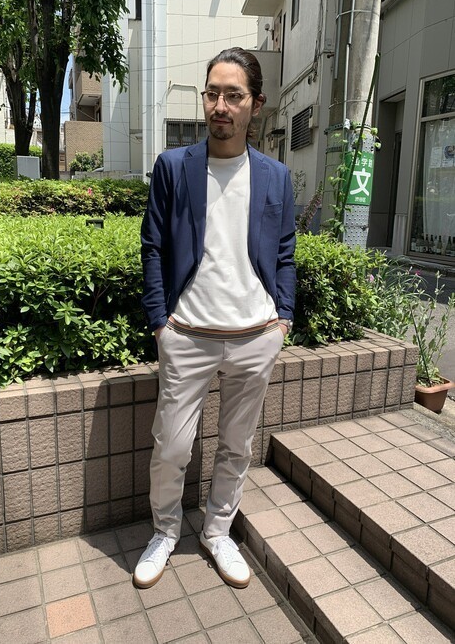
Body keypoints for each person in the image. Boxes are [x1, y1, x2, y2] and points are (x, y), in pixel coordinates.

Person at [135, 47, 296, 589]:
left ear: (256, 105)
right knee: (172, 447)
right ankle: (165, 531)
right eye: (212, 93)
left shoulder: (275, 176)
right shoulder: (174, 167)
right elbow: (153, 246)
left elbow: (285, 253)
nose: (220, 106)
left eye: (233, 95)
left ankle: (218, 531)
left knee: (237, 446)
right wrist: (161, 323)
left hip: (256, 335)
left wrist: (283, 319)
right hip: (187, 334)